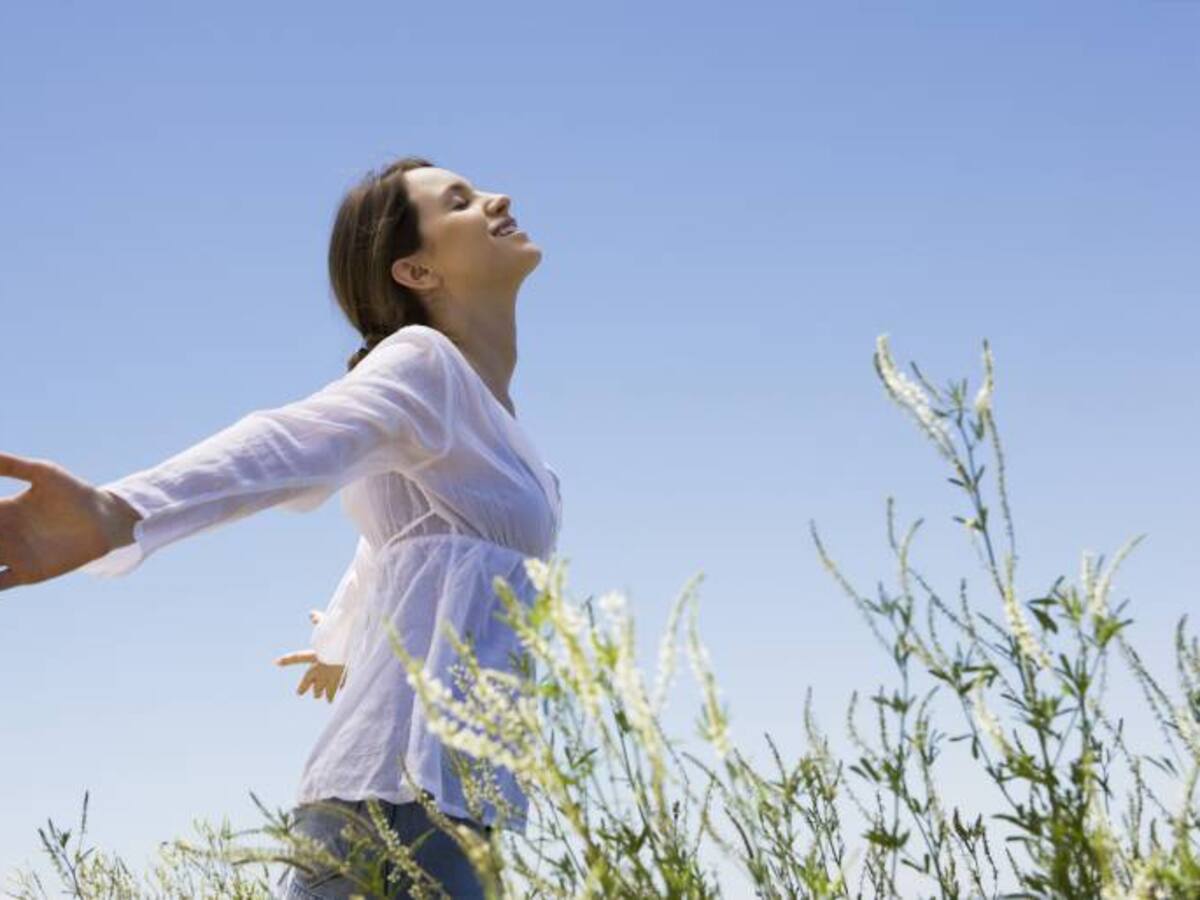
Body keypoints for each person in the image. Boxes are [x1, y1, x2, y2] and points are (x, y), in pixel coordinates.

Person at [0, 157, 561, 898]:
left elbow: (388, 540)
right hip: (399, 799)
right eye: (459, 202)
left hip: (444, 796)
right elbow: (290, 441)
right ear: (416, 270)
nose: (498, 198)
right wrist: (121, 512)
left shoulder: (491, 419)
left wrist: (338, 636)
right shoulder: (425, 366)